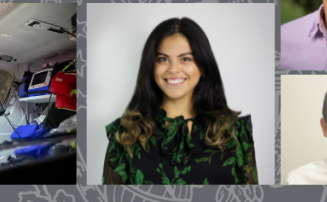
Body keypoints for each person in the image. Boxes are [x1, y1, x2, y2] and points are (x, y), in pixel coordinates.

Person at [103, 17, 257, 184]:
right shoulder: (126, 134)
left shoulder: (235, 132)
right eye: (163, 59)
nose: (173, 69)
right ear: (151, 66)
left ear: (203, 66)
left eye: (185, 59)